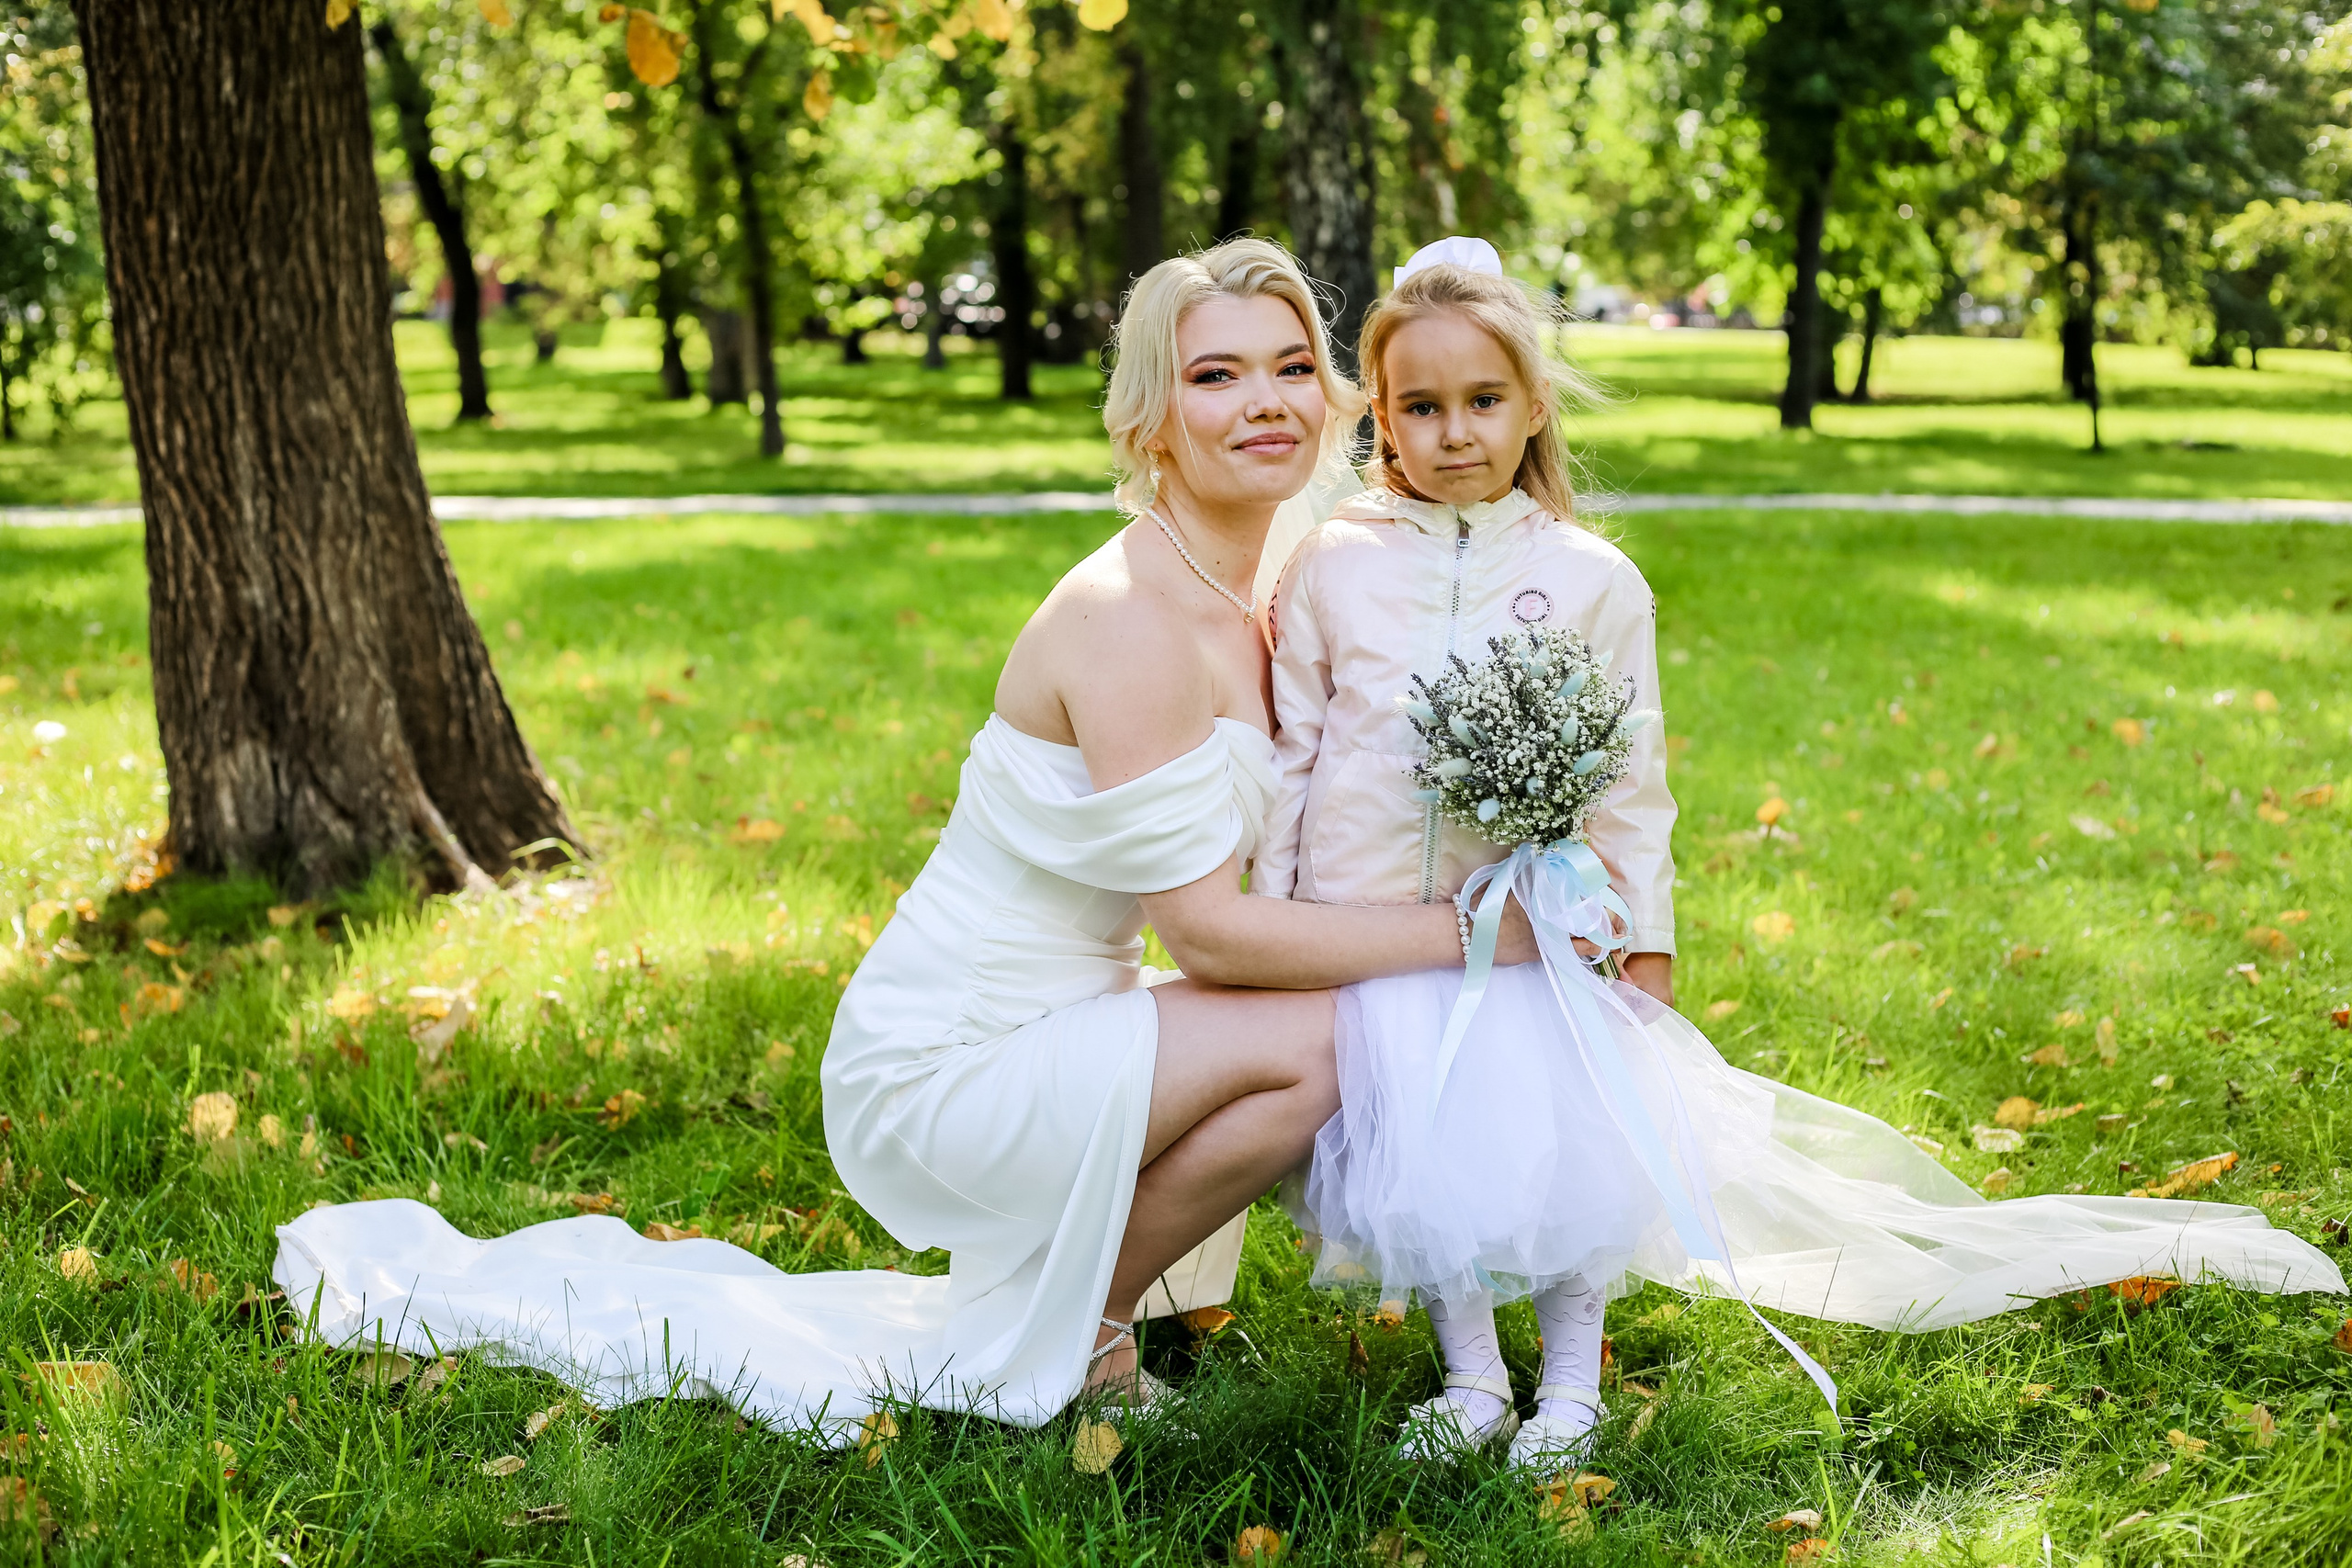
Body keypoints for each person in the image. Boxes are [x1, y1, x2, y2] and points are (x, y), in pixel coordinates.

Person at [271, 237, 1535, 1438]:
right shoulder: (1130, 619)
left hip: (1075, 1009)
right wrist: (1465, 935)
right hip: (946, 1058)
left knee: (1330, 1023)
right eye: (1216, 375)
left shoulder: (1275, 582)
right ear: (1152, 418)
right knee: (1325, 1040)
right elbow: (1203, 928)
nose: (1263, 401)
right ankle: (1082, 1329)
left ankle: (1103, 1288)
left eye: (1288, 367)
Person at [1257, 236, 2344, 1472]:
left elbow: (1631, 784)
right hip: (1366, 925)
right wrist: (1277, 905)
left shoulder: (1590, 581)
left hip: (1534, 936)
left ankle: (1567, 1387)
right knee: (1437, 1165)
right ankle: (1470, 1383)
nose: (1454, 432)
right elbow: (1297, 746)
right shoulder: (1333, 565)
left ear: (1534, 403)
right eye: (1422, 407)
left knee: (1563, 1158)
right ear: (1381, 418)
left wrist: (1644, 942)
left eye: (1484, 401)